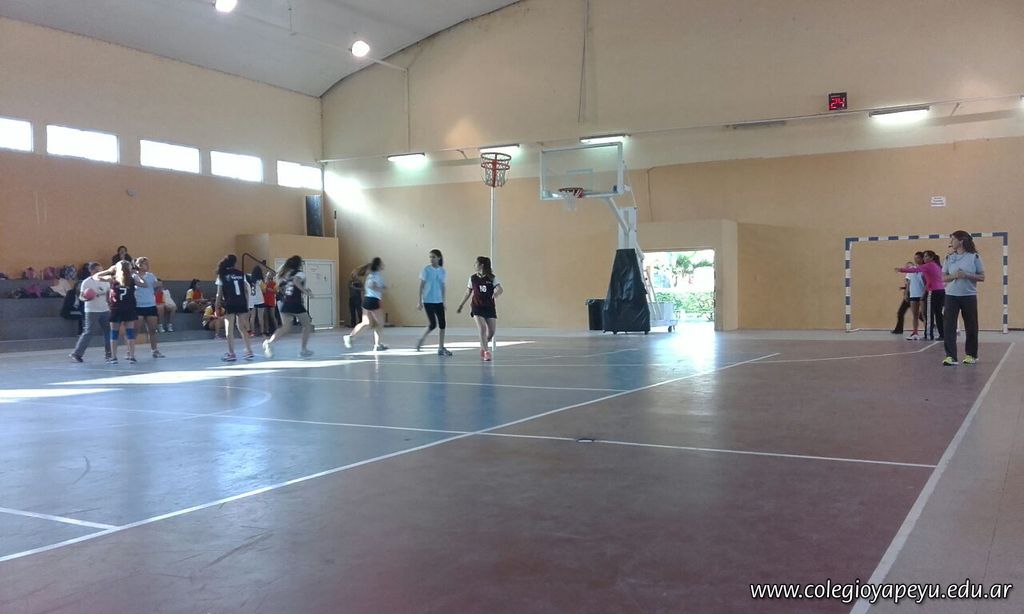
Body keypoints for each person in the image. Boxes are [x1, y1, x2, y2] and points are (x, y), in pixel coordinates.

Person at [942, 231, 985, 366]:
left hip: (968, 296)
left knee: (971, 326)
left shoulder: (974, 257)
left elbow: (982, 277)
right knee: (949, 327)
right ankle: (951, 356)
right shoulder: (949, 257)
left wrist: (966, 275)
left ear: (961, 241)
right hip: (951, 296)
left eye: (953, 239)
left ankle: (971, 355)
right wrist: (954, 276)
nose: (951, 242)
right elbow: (943, 277)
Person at [94, 259, 147, 364]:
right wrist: (137, 274)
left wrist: (108, 270)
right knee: (130, 333)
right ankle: (131, 356)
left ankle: (114, 357)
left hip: (116, 308)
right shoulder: (131, 280)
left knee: (114, 333)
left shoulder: (113, 279)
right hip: (129, 308)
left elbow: (96, 277)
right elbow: (144, 284)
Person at [263, 255, 314, 358]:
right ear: (298, 264)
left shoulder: (287, 274)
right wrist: (305, 291)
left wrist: (301, 290)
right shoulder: (300, 273)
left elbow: (283, 286)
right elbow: (296, 282)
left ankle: (269, 342)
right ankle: (303, 349)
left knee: (286, 327)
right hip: (295, 303)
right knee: (307, 325)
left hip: (285, 302)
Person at [457, 256, 503, 362]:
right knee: (482, 328)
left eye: (476, 263)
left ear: (481, 265)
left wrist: (497, 293)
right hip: (477, 306)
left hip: (489, 307)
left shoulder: (491, 278)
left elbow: (500, 288)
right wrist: (461, 305)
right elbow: (468, 292)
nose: (474, 265)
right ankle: (487, 352)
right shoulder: (472, 278)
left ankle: (483, 346)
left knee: (491, 332)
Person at [69, 262, 111, 363]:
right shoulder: (86, 282)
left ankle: (109, 354)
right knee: (89, 332)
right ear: (91, 271)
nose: (99, 272)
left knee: (109, 331)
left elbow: (109, 294)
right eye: (97, 270)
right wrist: (86, 298)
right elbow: (81, 296)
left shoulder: (106, 281)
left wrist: (110, 304)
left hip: (105, 309)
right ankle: (77, 353)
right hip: (92, 310)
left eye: (101, 270)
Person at [214, 254, 254, 362]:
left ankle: (231, 353)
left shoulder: (222, 275)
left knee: (229, 329)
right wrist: (247, 304)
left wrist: (217, 307)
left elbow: (219, 294)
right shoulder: (241, 274)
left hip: (230, 303)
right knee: (242, 328)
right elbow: (246, 290)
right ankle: (249, 351)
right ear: (235, 263)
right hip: (241, 302)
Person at [415, 249, 453, 356]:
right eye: (430, 257)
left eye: (433, 257)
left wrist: (444, 301)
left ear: (439, 258)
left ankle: (441, 347)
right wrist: (419, 301)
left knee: (442, 324)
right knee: (432, 324)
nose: (431, 259)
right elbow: (421, 286)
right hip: (428, 300)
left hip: (438, 300)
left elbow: (443, 286)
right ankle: (421, 339)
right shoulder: (426, 270)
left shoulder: (442, 271)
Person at [344, 258, 386, 351]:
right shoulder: (375, 275)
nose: (383, 264)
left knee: (367, 323)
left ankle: (350, 337)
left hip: (367, 300)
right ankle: (378, 345)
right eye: (382, 263)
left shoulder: (372, 274)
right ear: (378, 265)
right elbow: (371, 285)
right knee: (380, 323)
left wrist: (381, 288)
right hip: (373, 300)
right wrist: (382, 288)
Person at [133, 257, 165, 358]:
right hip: (138, 306)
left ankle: (154, 350)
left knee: (152, 330)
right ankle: (131, 351)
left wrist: (158, 286)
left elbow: (156, 287)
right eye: (145, 264)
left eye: (148, 263)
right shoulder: (133, 276)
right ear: (139, 265)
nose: (147, 265)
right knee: (136, 330)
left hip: (150, 305)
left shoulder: (151, 276)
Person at [900, 252, 926, 340]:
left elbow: (927, 282)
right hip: (913, 294)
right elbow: (908, 282)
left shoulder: (925, 269)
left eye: (918, 258)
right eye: (915, 258)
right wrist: (906, 293)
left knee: (924, 314)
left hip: (923, 294)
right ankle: (915, 332)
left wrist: (925, 292)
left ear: (922, 258)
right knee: (915, 314)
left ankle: (927, 331)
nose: (916, 259)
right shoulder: (911, 269)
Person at [247, 265, 267, 336]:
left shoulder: (249, 281)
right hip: (260, 300)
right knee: (260, 317)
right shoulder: (260, 281)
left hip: (252, 300)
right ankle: (262, 332)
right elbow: (264, 290)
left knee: (252, 317)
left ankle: (253, 332)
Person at [891, 267, 911, 335]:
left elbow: (909, 285)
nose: (908, 268)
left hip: (910, 296)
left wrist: (906, 294)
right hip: (910, 295)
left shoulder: (910, 274)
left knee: (900, 312)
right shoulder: (909, 274)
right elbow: (909, 285)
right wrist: (903, 288)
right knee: (901, 313)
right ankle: (899, 329)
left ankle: (899, 329)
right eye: (907, 266)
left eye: (909, 266)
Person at [263, 269, 280, 334]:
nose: (267, 276)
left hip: (271, 301)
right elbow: (263, 291)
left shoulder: (274, 283)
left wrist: (271, 290)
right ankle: (267, 330)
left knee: (272, 316)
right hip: (265, 300)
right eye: (267, 275)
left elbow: (277, 292)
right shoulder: (264, 283)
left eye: (269, 275)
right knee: (265, 316)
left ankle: (277, 330)